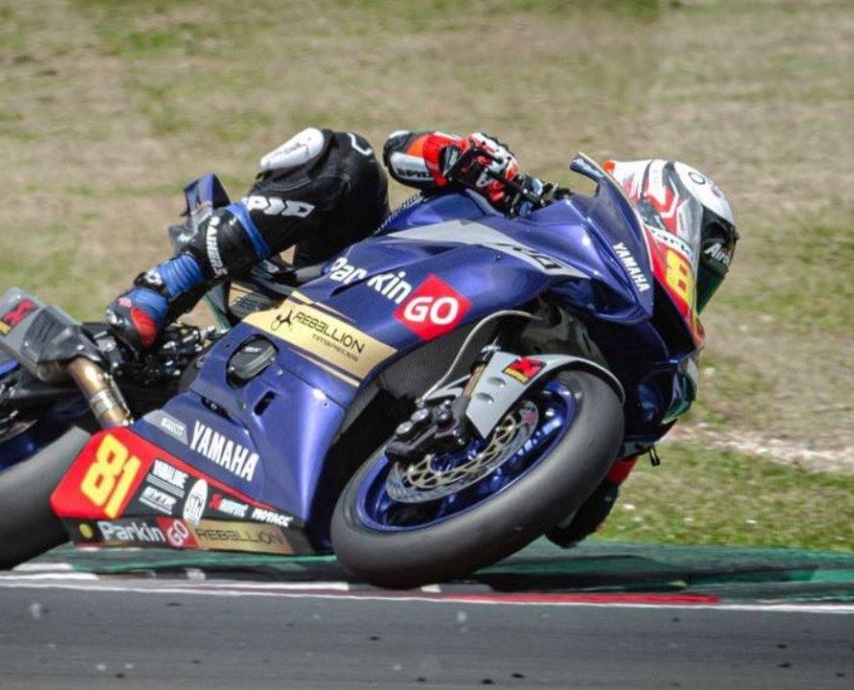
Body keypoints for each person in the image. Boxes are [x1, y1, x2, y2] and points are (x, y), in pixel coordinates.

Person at [103, 127, 738, 547]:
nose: (696, 278)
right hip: (350, 279)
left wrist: (606, 456)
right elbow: (402, 148)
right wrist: (468, 160)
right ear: (656, 209)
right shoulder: (539, 206)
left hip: (367, 487)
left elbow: (576, 524)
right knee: (338, 158)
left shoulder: (659, 382)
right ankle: (157, 294)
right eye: (699, 256)